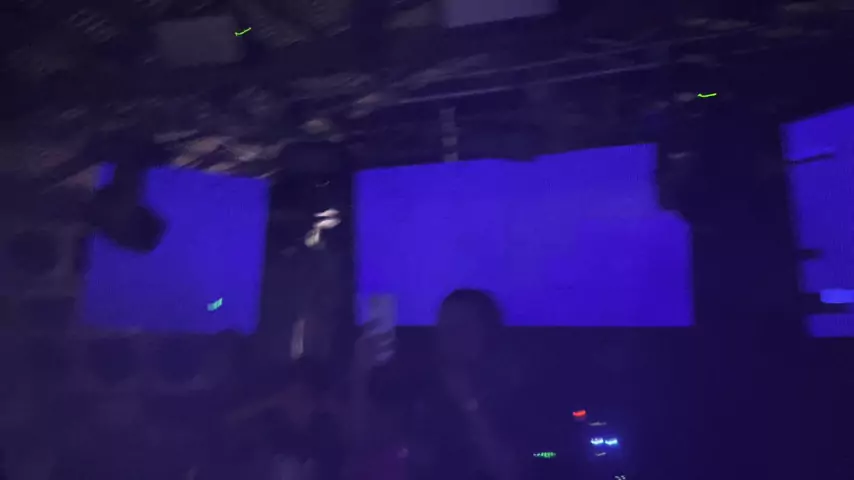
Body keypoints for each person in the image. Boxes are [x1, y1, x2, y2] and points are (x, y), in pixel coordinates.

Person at [350, 289, 526, 480]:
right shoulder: (424, 381)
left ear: (487, 331)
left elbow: (512, 470)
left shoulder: (510, 389)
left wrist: (468, 404)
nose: (450, 335)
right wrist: (361, 374)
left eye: (461, 326)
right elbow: (366, 439)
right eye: (445, 325)